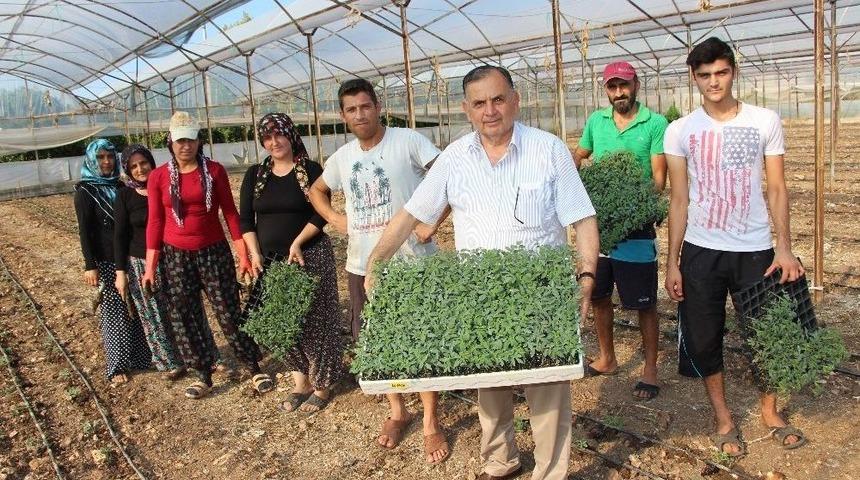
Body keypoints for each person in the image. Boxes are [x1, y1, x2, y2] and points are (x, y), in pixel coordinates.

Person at [365, 66, 599, 480]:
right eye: (480, 103)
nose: (490, 110)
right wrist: (376, 262)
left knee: (547, 392)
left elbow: (582, 219)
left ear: (515, 100)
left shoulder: (549, 150)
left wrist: (586, 277)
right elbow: (411, 214)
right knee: (489, 387)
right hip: (477, 294)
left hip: (540, 292)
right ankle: (500, 463)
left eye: (498, 99)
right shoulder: (455, 158)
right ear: (466, 109)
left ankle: (551, 473)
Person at [663, 37, 807, 456]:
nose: (714, 82)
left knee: (767, 333)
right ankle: (724, 418)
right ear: (694, 77)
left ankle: (769, 410)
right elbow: (679, 199)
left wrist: (784, 247)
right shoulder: (680, 130)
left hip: (756, 249)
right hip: (701, 250)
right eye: (705, 75)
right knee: (705, 336)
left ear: (733, 72)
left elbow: (777, 187)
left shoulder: (764, 120)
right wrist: (672, 263)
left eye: (721, 72)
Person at [308, 78, 450, 464]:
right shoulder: (342, 157)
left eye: (365, 106)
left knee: (423, 340)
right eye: (351, 110)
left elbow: (447, 177)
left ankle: (431, 420)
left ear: (378, 106)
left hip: (413, 264)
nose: (359, 115)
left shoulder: (408, 141)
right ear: (342, 115)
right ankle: (398, 411)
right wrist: (338, 221)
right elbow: (315, 191)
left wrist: (433, 222)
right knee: (377, 341)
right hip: (361, 265)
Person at [143, 111, 273, 400]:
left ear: (199, 140)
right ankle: (202, 373)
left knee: (228, 311)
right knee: (184, 315)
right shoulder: (158, 177)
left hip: (213, 252)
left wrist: (244, 256)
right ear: (170, 142)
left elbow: (230, 213)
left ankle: (253, 366)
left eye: (190, 139)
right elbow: (154, 222)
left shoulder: (214, 172)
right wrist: (150, 267)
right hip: (176, 255)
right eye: (179, 141)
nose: (185, 146)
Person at [574, 61, 668, 400]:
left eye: (624, 86)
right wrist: (574, 185)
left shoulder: (656, 123)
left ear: (636, 85)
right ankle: (608, 358)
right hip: (597, 228)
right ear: (606, 89)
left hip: (636, 225)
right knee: (598, 295)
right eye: (612, 87)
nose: (619, 93)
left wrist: (629, 204)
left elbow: (658, 181)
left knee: (644, 302)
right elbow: (580, 154)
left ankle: (650, 369)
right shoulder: (595, 122)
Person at [239, 113, 344, 413]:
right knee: (280, 325)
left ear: (290, 135)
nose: (274, 142)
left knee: (316, 321)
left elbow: (320, 213)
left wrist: (297, 242)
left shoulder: (309, 170)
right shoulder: (256, 175)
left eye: (279, 135)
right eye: (267, 138)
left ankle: (323, 384)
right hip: (271, 262)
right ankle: (302, 382)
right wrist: (254, 252)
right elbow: (246, 218)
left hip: (308, 255)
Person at [114, 144, 195, 380]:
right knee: (152, 314)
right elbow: (120, 236)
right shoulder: (124, 195)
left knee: (180, 308)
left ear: (151, 162)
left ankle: (193, 355)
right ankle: (169, 362)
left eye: (144, 163)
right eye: (134, 166)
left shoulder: (166, 185)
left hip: (171, 256)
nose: (140, 169)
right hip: (140, 262)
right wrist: (121, 272)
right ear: (128, 170)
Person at [74, 139, 151, 384]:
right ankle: (117, 366)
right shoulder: (85, 192)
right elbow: (85, 232)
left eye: (110, 157)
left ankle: (142, 358)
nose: (106, 162)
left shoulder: (121, 186)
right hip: (105, 261)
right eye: (100, 158)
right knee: (114, 312)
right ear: (91, 161)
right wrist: (90, 265)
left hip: (129, 257)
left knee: (138, 309)